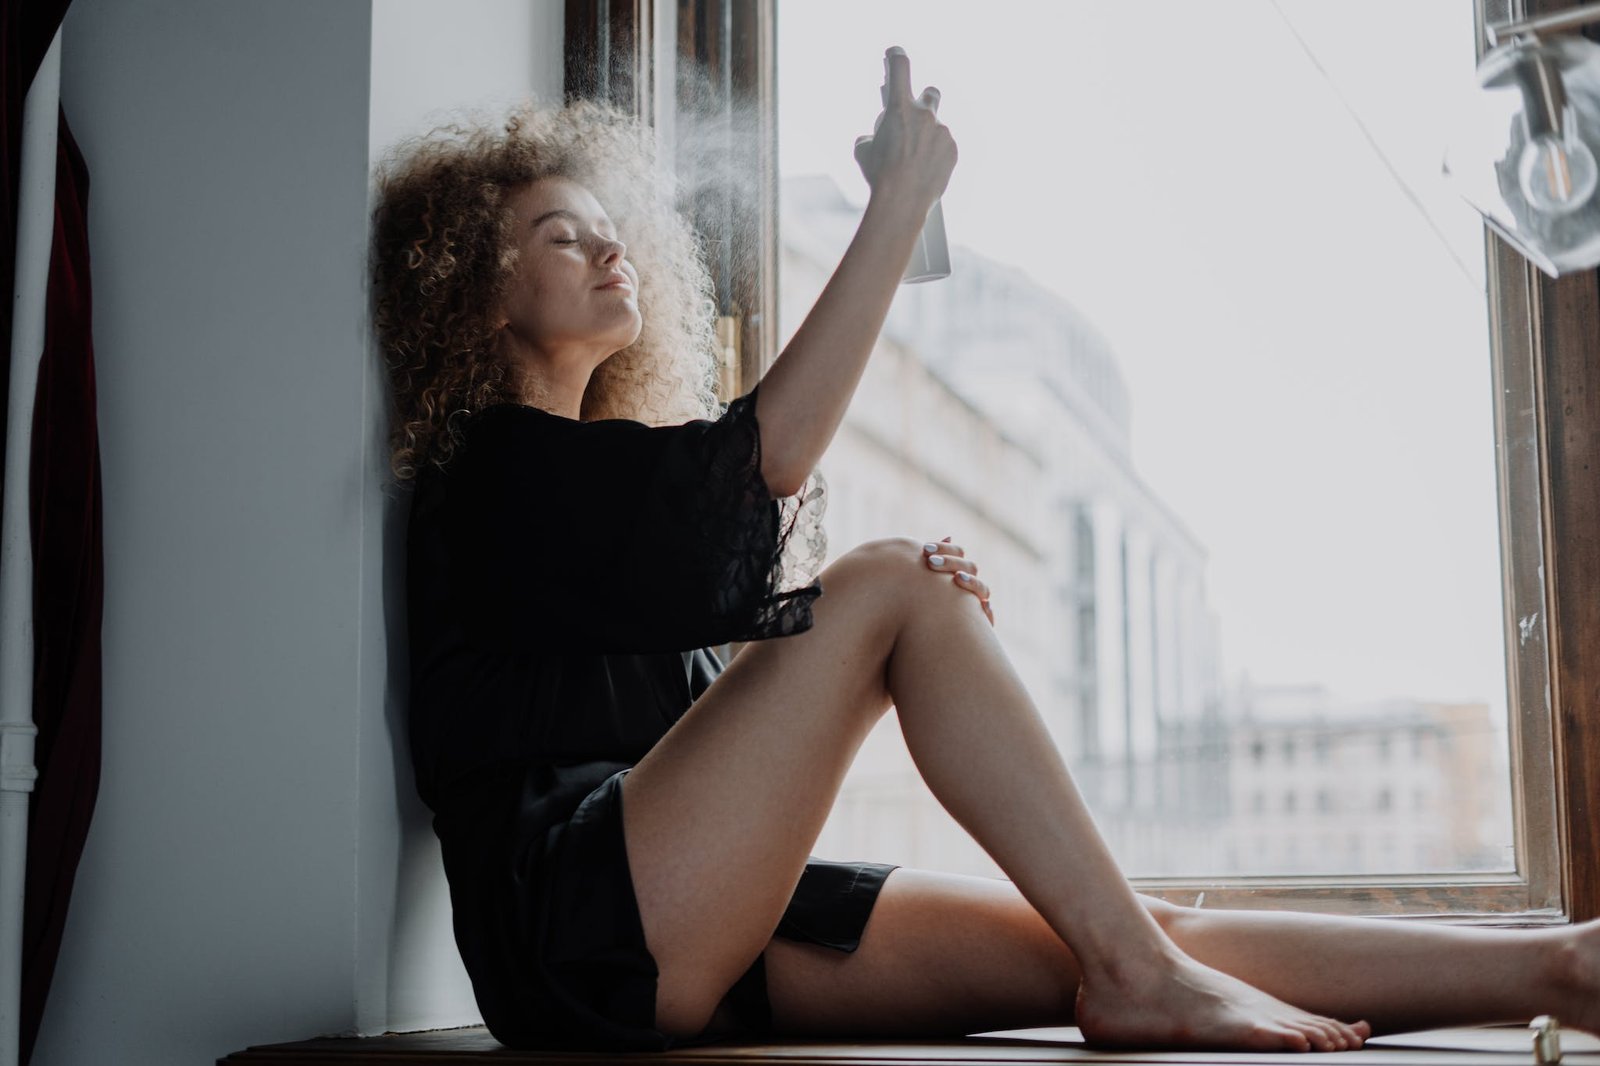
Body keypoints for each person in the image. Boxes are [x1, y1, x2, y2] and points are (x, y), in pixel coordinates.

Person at [371, 59, 1600, 1055]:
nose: (607, 249)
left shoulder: (581, 496)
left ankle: (1559, 963)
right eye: (558, 236)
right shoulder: (490, 467)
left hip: (687, 917)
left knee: (1116, 923)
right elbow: (764, 464)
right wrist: (896, 211)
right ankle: (1139, 971)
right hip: (572, 925)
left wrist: (865, 640)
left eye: (607, 228)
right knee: (892, 582)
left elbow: (701, 646)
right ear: (478, 291)